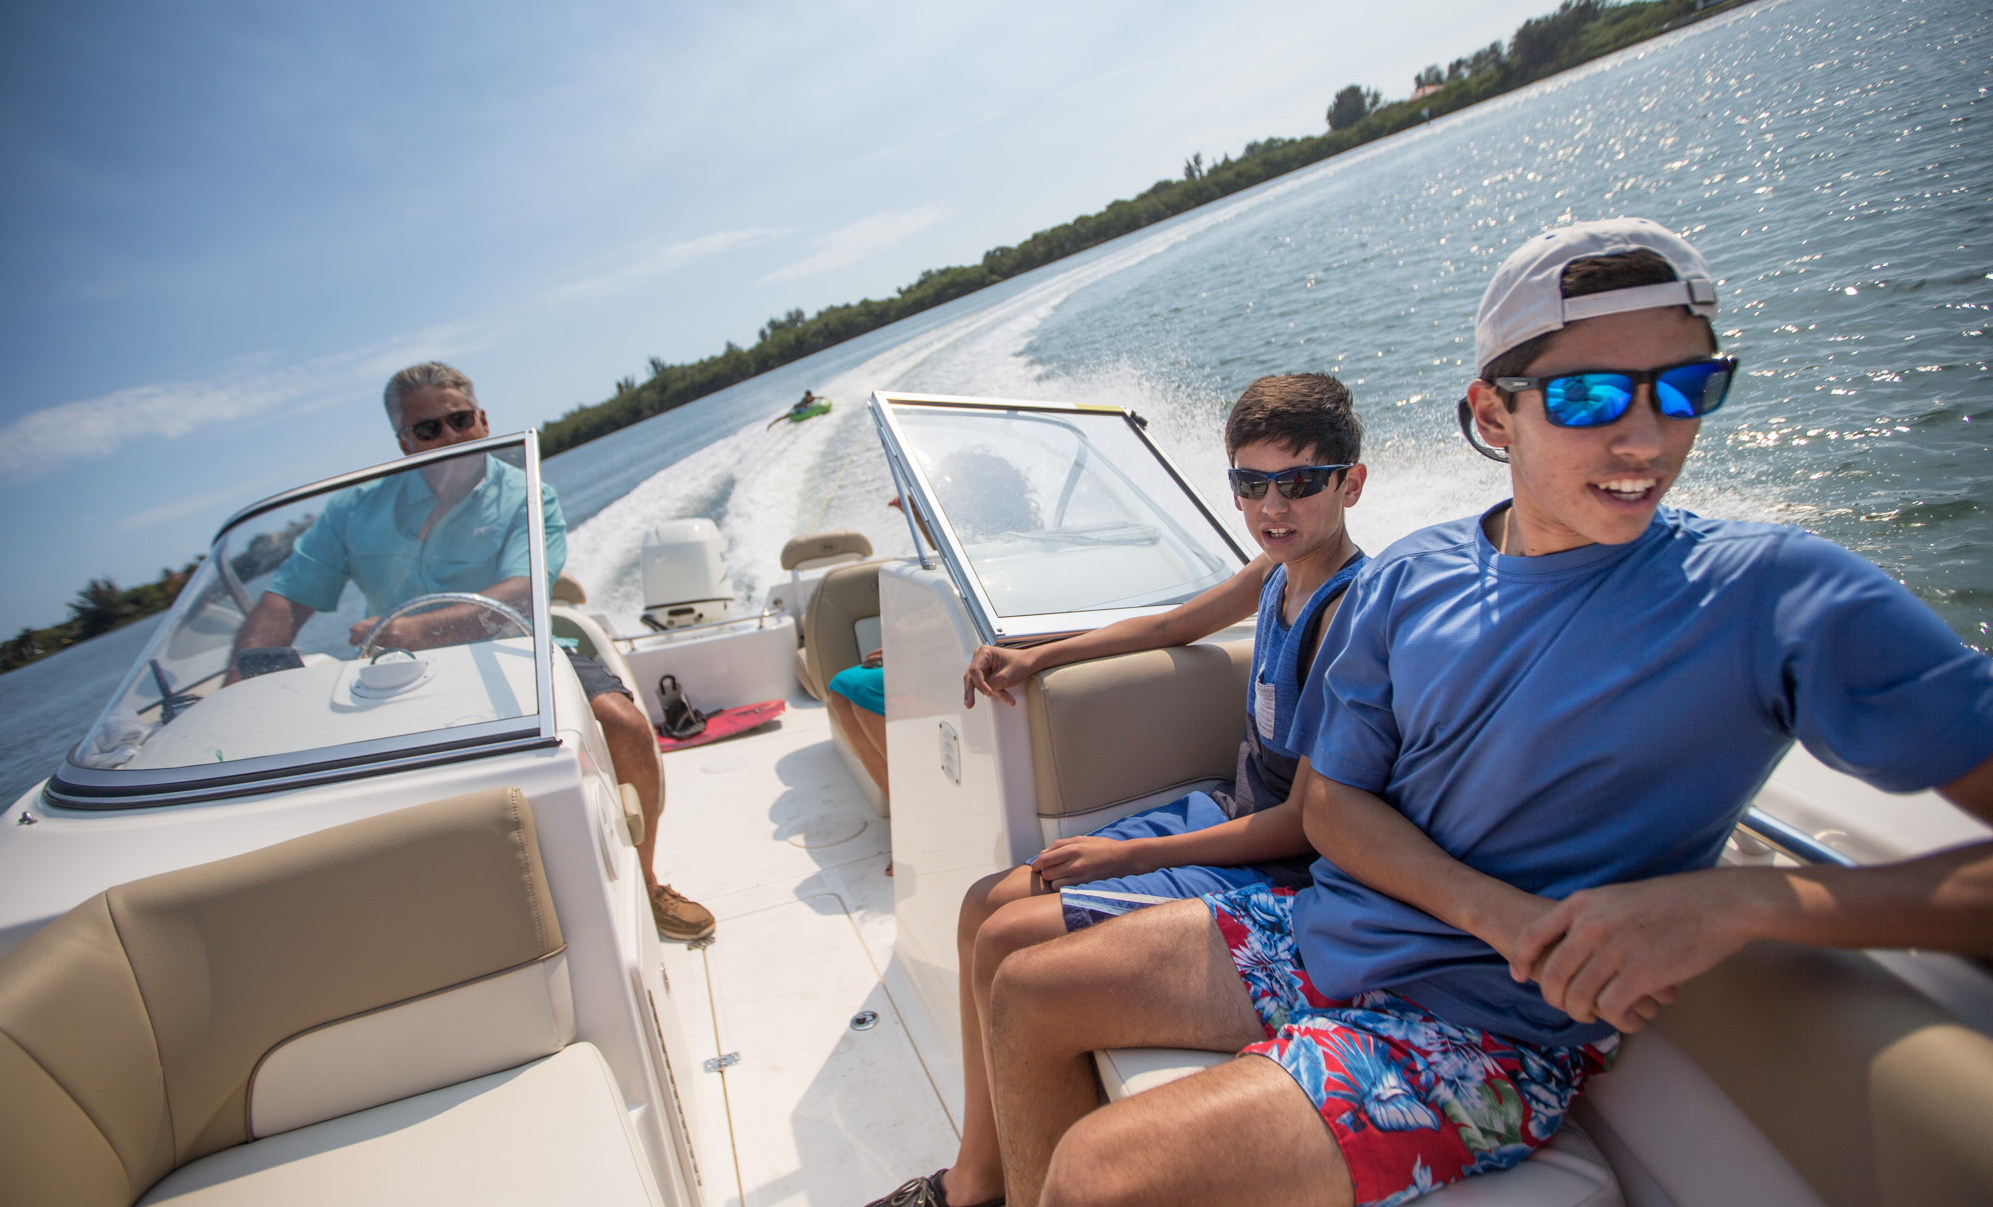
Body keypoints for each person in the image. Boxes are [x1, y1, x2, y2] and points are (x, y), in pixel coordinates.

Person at [979, 219, 1993, 1207]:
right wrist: (1497, 913)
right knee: (1022, 991)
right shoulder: (1411, 578)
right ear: (1492, 412)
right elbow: (1331, 808)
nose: (1644, 435)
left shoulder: (1780, 599)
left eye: (1686, 388)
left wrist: (1748, 903)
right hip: (1323, 928)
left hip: (1490, 1029)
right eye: (1587, 394)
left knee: (1101, 1176)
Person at [866, 373, 1369, 1207]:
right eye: (1250, 483)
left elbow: (1305, 827)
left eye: (1298, 481)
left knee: (1007, 941)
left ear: (1349, 481)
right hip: (1225, 813)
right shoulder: (1278, 574)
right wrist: (1038, 655)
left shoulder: (1350, 617)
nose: (1271, 506)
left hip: (1277, 867)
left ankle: (995, 1190)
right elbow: (1170, 624)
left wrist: (1126, 852)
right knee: (977, 907)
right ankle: (978, 1177)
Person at [231, 361, 717, 941]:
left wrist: (417, 629)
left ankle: (646, 881)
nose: (449, 438)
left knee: (624, 723)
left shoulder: (527, 496)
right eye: (429, 430)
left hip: (516, 655)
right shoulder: (352, 511)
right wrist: (246, 676)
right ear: (404, 442)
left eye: (459, 420)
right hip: (395, 679)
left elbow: (524, 593)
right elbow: (287, 595)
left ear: (484, 421)